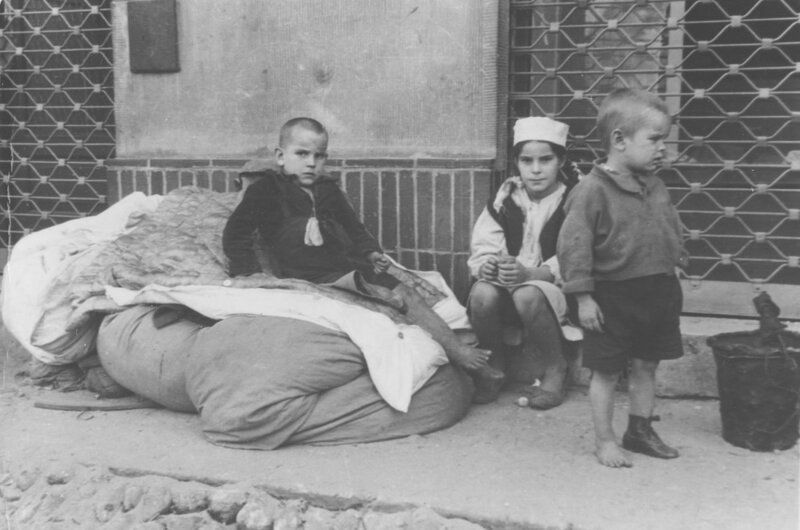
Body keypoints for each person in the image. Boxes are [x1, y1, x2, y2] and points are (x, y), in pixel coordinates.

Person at [223, 117, 503, 384]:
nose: (311, 163)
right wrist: (249, 275)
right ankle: (461, 354)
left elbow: (353, 226)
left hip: (347, 264)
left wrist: (371, 252)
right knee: (390, 301)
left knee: (406, 292)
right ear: (281, 156)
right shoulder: (266, 191)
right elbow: (236, 233)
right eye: (302, 154)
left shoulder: (327, 190)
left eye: (319, 156)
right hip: (312, 274)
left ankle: (458, 350)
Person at [556, 88, 686, 468]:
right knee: (608, 372)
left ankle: (640, 431)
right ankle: (605, 440)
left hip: (658, 291)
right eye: (655, 139)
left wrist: (676, 259)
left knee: (647, 365)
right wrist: (583, 298)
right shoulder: (591, 191)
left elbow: (669, 227)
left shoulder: (656, 185)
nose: (663, 148)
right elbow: (573, 248)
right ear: (619, 140)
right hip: (612, 298)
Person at [467, 116, 582, 408]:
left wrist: (531, 272)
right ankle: (495, 365)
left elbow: (577, 253)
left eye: (546, 160)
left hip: (554, 292)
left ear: (561, 160)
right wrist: (490, 265)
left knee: (527, 293)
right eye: (526, 161)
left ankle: (556, 368)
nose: (536, 170)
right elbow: (484, 245)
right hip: (511, 288)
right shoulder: (506, 198)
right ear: (516, 162)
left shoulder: (573, 199)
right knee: (481, 293)